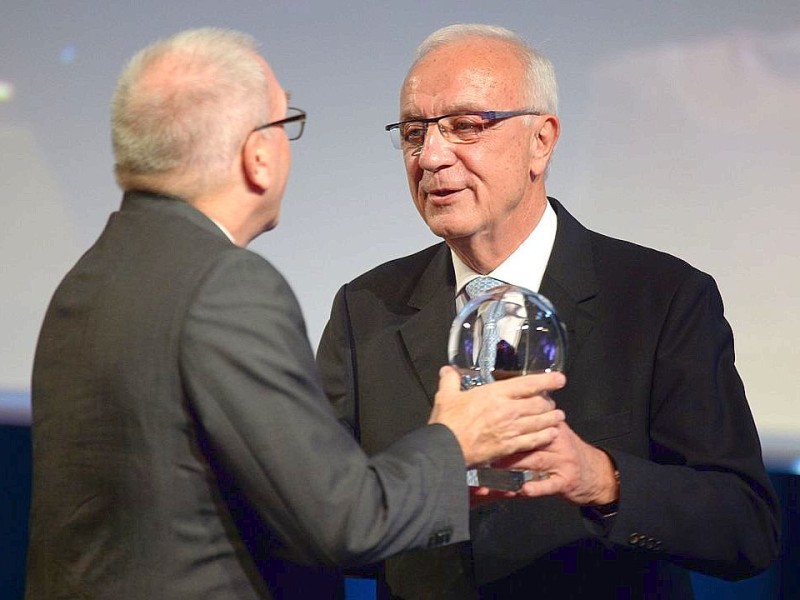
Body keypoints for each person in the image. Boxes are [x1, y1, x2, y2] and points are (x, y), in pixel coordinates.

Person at [23, 28, 569, 600]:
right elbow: (341, 519)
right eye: (286, 125)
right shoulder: (225, 284)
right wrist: (454, 442)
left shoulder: (89, 278)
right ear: (257, 156)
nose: (430, 154)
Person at [316, 23, 781, 599]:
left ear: (541, 141)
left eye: (465, 125)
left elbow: (744, 527)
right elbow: (325, 519)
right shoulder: (367, 308)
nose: (432, 156)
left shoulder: (662, 298)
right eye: (415, 132)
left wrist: (600, 478)